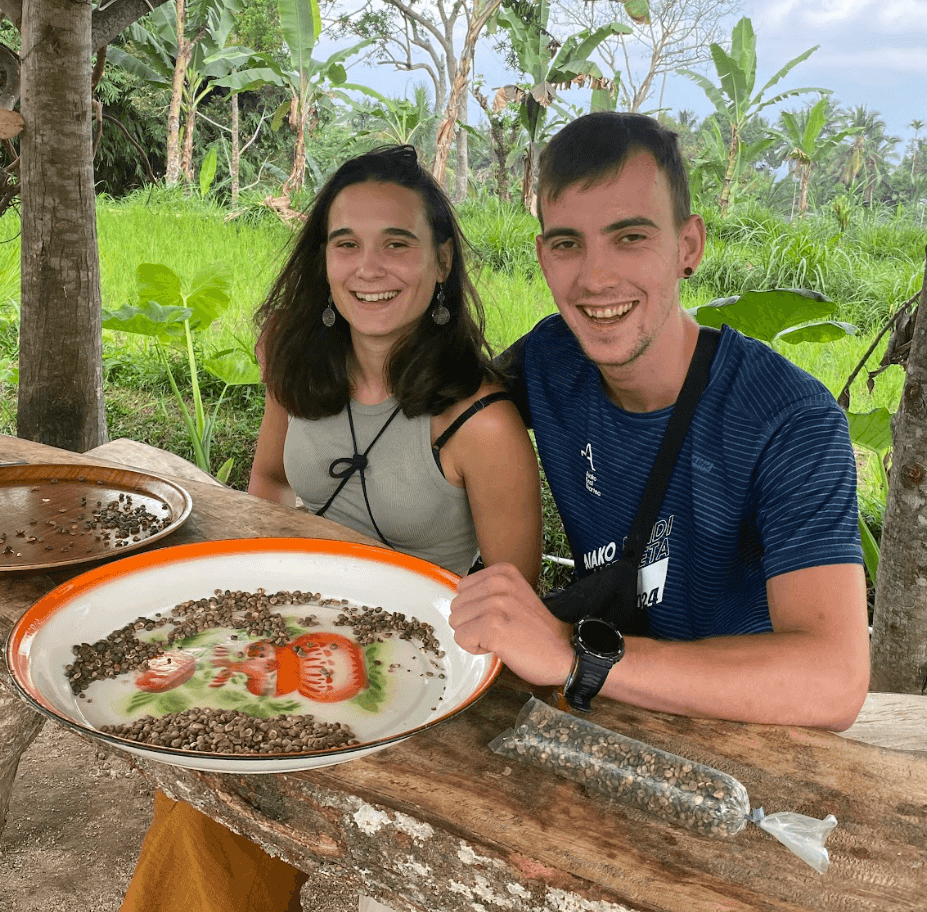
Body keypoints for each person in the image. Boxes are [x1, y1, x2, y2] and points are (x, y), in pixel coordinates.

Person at [121, 144, 542, 912]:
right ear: (322, 259)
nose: (368, 267)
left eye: (397, 243)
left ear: (441, 261)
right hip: (288, 620)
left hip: (411, 661)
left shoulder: (481, 422)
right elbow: (272, 485)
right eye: (345, 243)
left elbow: (513, 601)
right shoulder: (295, 359)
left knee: (235, 781)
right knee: (202, 761)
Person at [449, 111, 870, 728]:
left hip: (744, 728)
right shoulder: (550, 358)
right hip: (603, 714)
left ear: (689, 246)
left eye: (630, 237)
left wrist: (574, 656)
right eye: (568, 243)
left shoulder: (789, 420)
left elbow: (833, 681)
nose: (596, 279)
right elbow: (439, 404)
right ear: (543, 256)